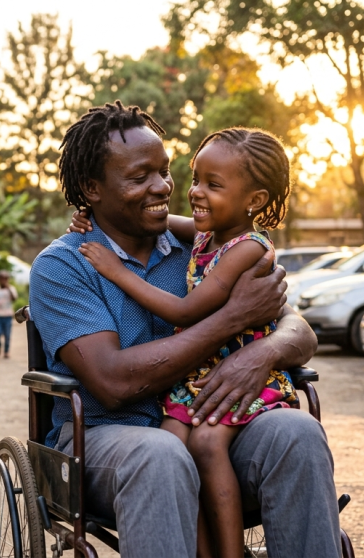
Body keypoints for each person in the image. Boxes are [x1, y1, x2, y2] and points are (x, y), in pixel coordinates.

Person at [29, 101, 341, 558]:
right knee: (160, 455)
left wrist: (264, 352)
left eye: (166, 171)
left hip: (210, 423)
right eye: (140, 178)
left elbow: (297, 328)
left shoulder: (205, 245)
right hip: (107, 436)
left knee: (297, 433)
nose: (164, 188)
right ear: (91, 189)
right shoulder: (64, 265)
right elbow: (115, 382)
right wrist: (232, 320)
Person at [73, 127, 297, 558]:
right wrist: (94, 225)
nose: (187, 192)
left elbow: (186, 312)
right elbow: (111, 381)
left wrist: (118, 272)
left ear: (254, 200)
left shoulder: (246, 250)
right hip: (176, 395)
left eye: (211, 185)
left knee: (217, 443)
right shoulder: (200, 238)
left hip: (224, 379)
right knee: (170, 447)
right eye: (196, 180)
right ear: (93, 189)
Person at [0, 270, 18, 359]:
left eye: (5, 278)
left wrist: (8, 288)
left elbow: (14, 298)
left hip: (8, 315)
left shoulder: (11, 289)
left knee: (7, 334)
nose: (3, 280)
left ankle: (6, 351)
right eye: (2, 278)